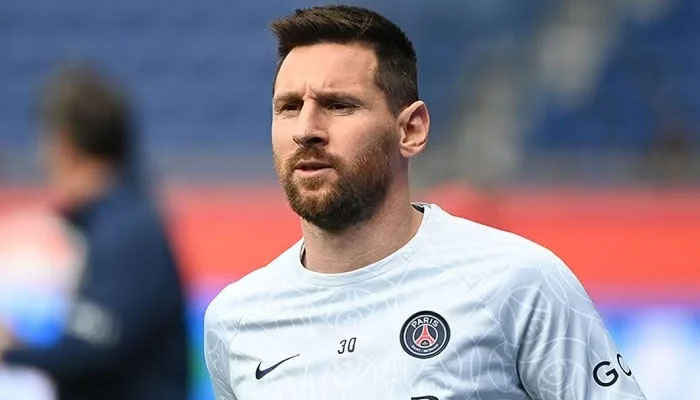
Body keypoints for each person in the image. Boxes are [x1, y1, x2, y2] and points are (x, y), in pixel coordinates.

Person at [204, 6, 646, 399]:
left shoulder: (518, 283)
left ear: (411, 130)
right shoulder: (237, 319)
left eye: (338, 105)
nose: (306, 130)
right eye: (288, 107)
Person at [0, 67, 189, 400]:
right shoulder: (118, 222)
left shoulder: (125, 231)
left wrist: (14, 350)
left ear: (66, 146)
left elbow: (99, 344)